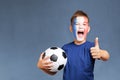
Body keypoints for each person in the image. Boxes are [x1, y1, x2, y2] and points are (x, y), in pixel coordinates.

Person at [37, 10, 110, 80]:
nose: (80, 27)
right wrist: (41, 67)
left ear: (88, 29)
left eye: (84, 24)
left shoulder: (92, 47)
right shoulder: (65, 49)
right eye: (77, 24)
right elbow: (53, 72)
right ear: (71, 28)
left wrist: (100, 53)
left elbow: (106, 56)